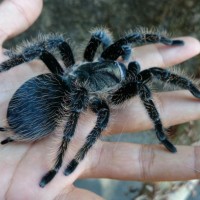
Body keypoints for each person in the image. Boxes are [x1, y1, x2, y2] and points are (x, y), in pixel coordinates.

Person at [0, 0, 200, 199]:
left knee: (55, 46)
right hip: (47, 103)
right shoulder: (104, 92)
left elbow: (102, 37)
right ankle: (60, 159)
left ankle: (62, 159)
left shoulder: (90, 64)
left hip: (55, 85)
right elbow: (107, 41)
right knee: (141, 79)